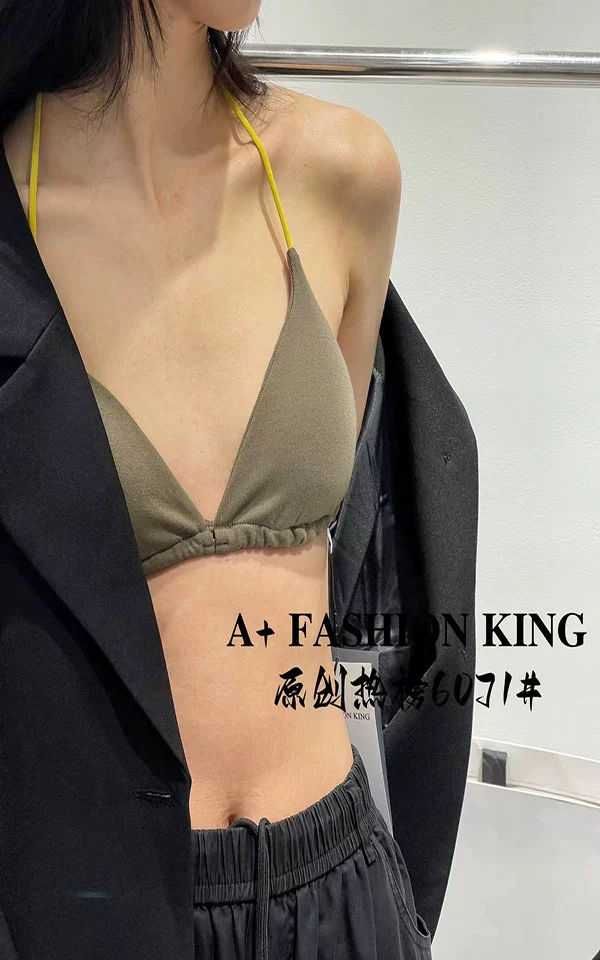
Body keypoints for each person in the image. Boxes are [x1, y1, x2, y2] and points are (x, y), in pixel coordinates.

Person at [0, 1, 435, 958]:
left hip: (342, 880)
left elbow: (341, 531)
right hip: (100, 910)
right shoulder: (15, 224)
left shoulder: (342, 173)